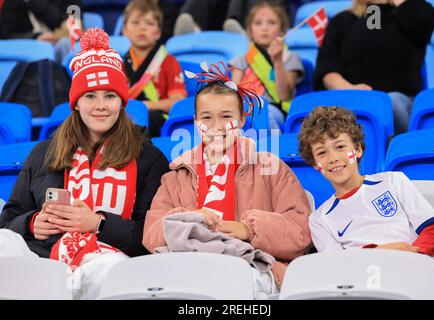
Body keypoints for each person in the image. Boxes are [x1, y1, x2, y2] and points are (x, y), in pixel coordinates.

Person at [0, 28, 170, 299]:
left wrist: (98, 224)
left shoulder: (149, 158)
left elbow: (153, 237)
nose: (101, 106)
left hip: (107, 259)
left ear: (122, 102)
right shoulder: (44, 152)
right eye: (90, 96)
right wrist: (32, 223)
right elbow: (8, 219)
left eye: (110, 96)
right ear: (76, 103)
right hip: (43, 258)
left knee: (111, 270)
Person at [142, 61, 312, 298]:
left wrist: (248, 229)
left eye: (226, 116)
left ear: (242, 119)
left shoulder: (271, 168)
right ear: (195, 121)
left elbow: (300, 232)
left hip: (253, 267)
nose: (216, 126)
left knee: (230, 284)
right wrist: (190, 219)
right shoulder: (175, 177)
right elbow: (150, 236)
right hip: (189, 268)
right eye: (207, 117)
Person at [298, 105, 434, 299]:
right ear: (315, 165)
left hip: (420, 267)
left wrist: (410, 258)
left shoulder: (393, 181)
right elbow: (337, 267)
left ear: (358, 149)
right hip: (366, 282)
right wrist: (383, 252)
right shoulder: (319, 219)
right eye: (322, 153)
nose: (333, 158)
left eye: (340, 147)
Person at [313, 0, 434, 135]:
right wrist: (351, 90)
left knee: (392, 102)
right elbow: (327, 69)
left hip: (400, 102)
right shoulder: (343, 21)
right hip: (353, 99)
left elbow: (424, 19)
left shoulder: (413, 12)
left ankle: (402, 148)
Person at [229, 0, 304, 130]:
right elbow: (232, 94)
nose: (265, 28)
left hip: (273, 110)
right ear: (250, 30)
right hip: (245, 109)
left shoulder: (291, 58)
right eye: (258, 23)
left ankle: (273, 147)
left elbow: (284, 95)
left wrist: (278, 61)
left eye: (272, 22)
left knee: (266, 117)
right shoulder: (240, 61)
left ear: (282, 30)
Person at [122, 0, 188, 137]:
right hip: (126, 116)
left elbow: (177, 102)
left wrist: (145, 106)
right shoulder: (119, 65)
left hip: (156, 120)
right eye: (135, 22)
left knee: (145, 118)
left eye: (149, 23)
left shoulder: (169, 62)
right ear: (124, 31)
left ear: (158, 32)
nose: (142, 28)